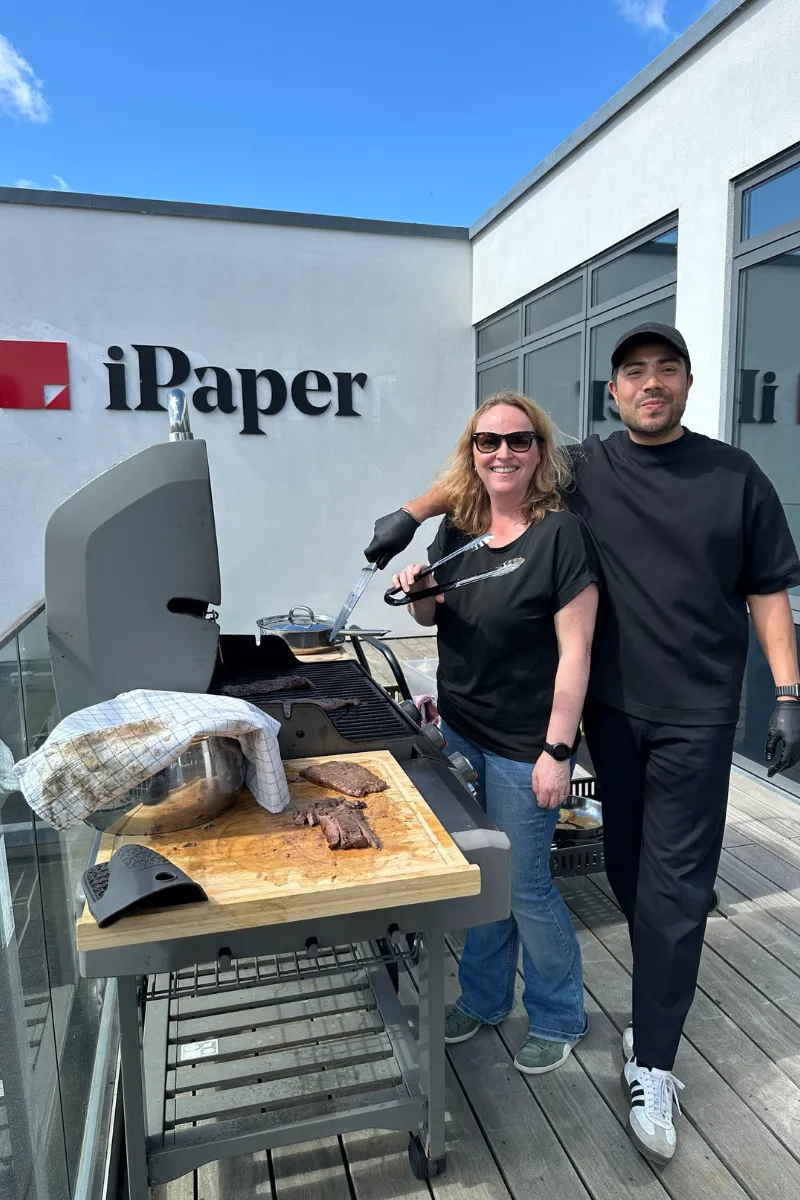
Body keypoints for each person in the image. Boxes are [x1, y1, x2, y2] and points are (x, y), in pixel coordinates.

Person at [365, 322, 800, 1166]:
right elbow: (489, 467)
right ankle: (650, 997)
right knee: (635, 874)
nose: (650, 384)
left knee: (674, 885)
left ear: (686, 383)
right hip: (610, 713)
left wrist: (787, 693)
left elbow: (768, 591)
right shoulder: (588, 467)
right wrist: (409, 517)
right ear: (612, 392)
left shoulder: (734, 475)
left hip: (698, 711)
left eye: (665, 371)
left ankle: (655, 1060)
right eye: (634, 372)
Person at [393, 391, 598, 1075]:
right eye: (488, 441)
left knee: (526, 887)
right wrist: (420, 587)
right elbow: (430, 620)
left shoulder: (560, 535)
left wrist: (557, 751)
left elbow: (576, 653)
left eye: (518, 440)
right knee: (482, 878)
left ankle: (560, 1012)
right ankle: (483, 1001)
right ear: (472, 453)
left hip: (524, 744)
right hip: (463, 732)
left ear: (540, 452)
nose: (502, 453)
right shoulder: (458, 528)